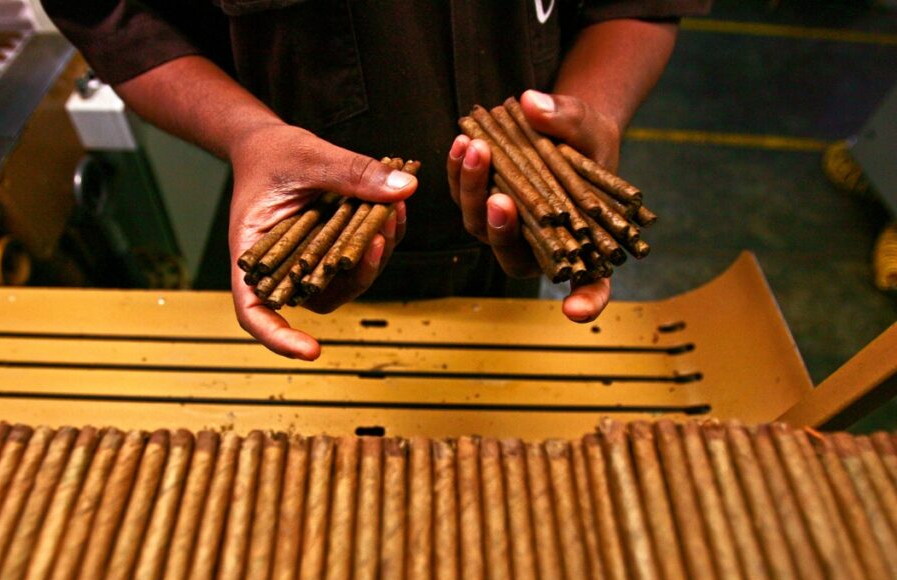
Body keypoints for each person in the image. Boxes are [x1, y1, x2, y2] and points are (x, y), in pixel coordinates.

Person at [42, 0, 711, 360]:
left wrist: (591, 111)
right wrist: (245, 134)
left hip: (521, 234)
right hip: (298, 231)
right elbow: (115, 16)